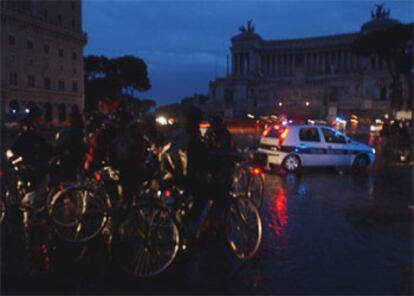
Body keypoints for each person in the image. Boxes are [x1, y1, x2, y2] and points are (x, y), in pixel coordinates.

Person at [54, 106, 85, 181]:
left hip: (68, 157)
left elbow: (61, 142)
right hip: (72, 157)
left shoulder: (69, 129)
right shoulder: (76, 129)